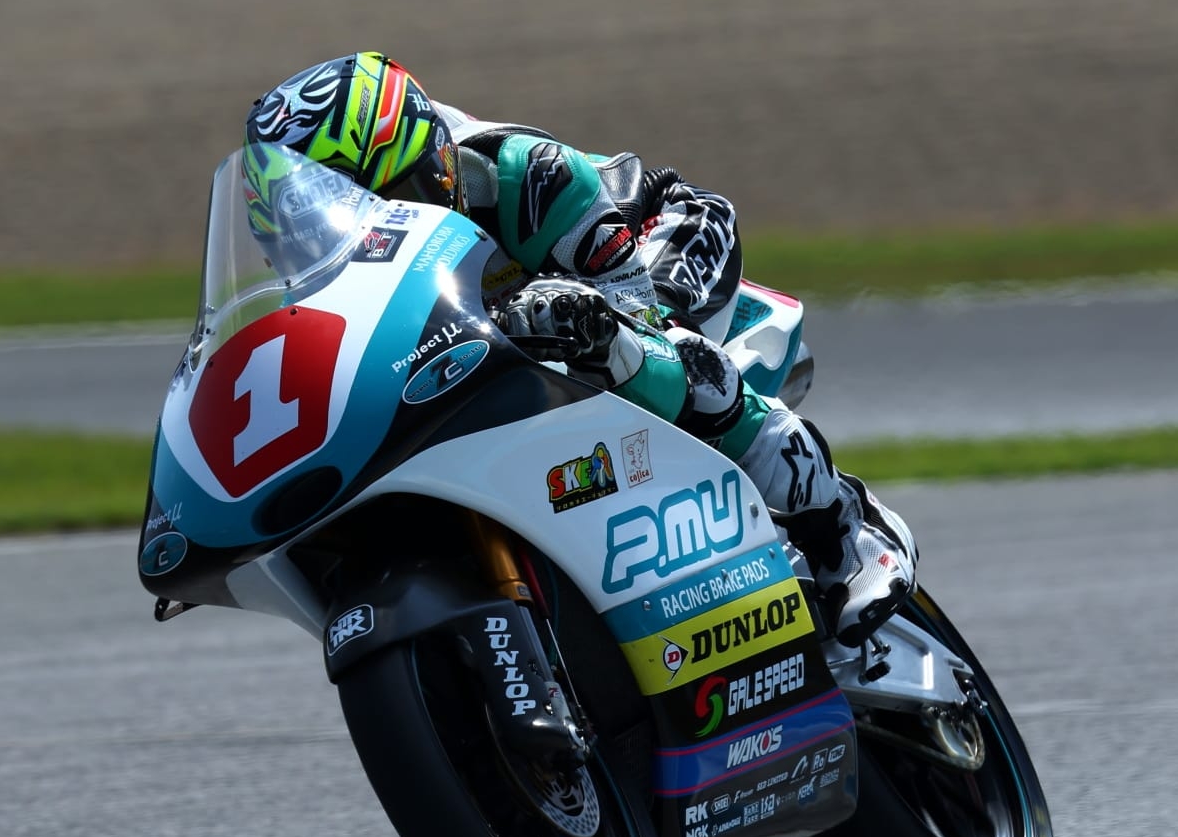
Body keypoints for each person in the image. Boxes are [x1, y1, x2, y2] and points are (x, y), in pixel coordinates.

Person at [245, 52, 916, 647]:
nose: (375, 240)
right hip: (516, 306)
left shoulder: (529, 178)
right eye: (315, 242)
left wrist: (590, 321)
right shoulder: (322, 260)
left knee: (662, 361)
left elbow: (634, 320)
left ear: (437, 162)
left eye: (398, 202)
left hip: (657, 242)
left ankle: (847, 526)